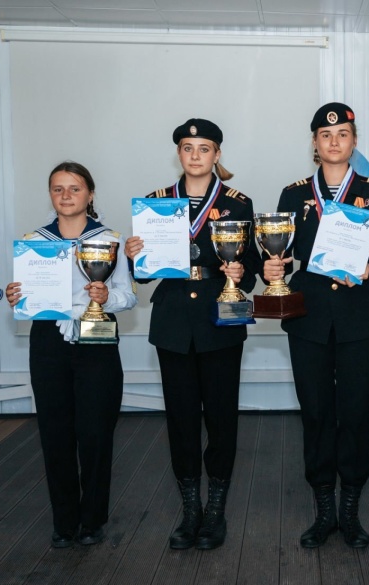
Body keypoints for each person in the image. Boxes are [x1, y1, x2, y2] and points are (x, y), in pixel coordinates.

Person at [263, 102, 369, 549]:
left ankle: (350, 508)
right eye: (325, 135)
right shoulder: (293, 195)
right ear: (314, 142)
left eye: (343, 134)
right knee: (315, 413)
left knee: (357, 413)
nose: (334, 141)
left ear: (354, 141)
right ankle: (324, 506)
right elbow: (281, 253)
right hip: (308, 319)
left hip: (358, 318)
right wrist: (274, 268)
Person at [124, 118, 260, 551]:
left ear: (216, 154)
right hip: (174, 321)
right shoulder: (155, 203)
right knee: (181, 421)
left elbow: (252, 270)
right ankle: (190, 511)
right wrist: (133, 256)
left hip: (221, 318)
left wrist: (240, 271)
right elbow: (143, 275)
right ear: (179, 153)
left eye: (204, 148)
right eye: (188, 147)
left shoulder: (238, 203)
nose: (195, 155)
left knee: (221, 420)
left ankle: (215, 512)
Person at [5, 161, 137, 548]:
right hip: (49, 342)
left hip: (97, 339)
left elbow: (128, 297)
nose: (66, 195)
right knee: (55, 433)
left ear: (90, 194)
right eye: (58, 189)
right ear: (50, 194)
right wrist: (16, 296)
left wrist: (106, 297)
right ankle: (64, 522)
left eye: (74, 188)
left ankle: (92, 520)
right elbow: (27, 297)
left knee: (95, 433)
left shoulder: (110, 240)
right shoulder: (34, 242)